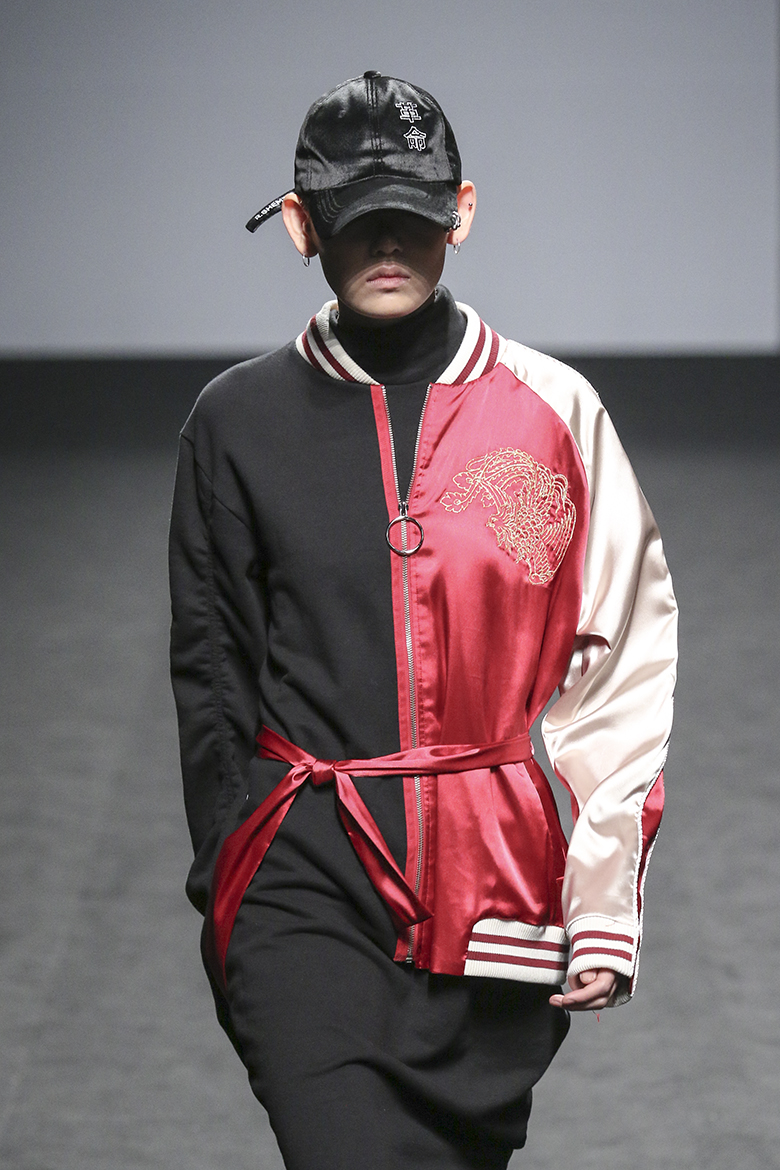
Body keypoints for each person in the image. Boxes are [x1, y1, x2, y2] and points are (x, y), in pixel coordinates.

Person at [169, 71, 678, 1170]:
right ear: (303, 226)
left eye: (412, 211)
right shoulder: (236, 422)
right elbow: (212, 674)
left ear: (463, 211)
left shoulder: (553, 411)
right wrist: (232, 882)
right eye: (356, 217)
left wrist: (602, 904)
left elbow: (621, 664)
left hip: (494, 892)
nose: (388, 241)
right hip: (303, 877)